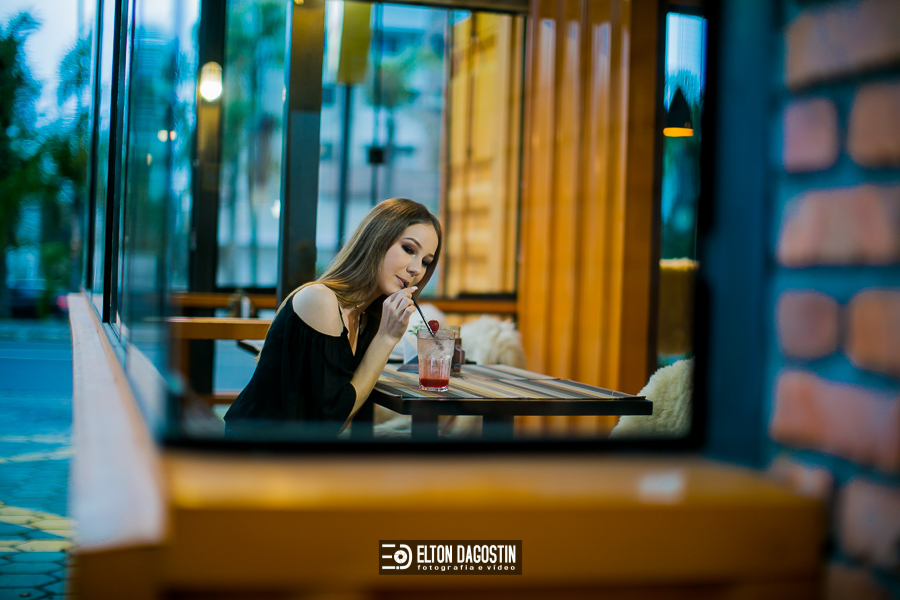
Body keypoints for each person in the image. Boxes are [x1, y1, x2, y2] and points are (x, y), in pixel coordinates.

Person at [223, 198, 442, 438]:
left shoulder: (366, 315)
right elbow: (332, 421)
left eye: (426, 262)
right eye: (409, 249)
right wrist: (387, 338)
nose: (416, 269)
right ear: (376, 240)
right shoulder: (321, 300)